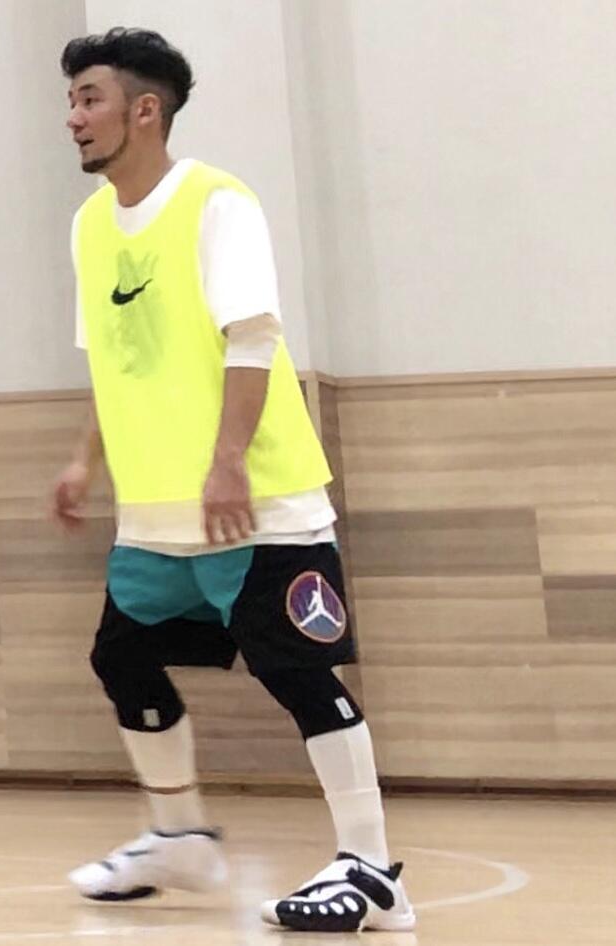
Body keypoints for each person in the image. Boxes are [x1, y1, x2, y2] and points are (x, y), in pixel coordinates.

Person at [50, 27, 415, 934]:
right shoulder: (90, 227)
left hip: (258, 503)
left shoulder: (218, 202)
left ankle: (373, 869)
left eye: (90, 98)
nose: (73, 117)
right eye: (70, 100)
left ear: (145, 110)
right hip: (157, 514)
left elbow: (251, 340)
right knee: (121, 656)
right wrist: (86, 461)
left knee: (298, 671)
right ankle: (179, 838)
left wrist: (226, 464)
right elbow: (115, 362)